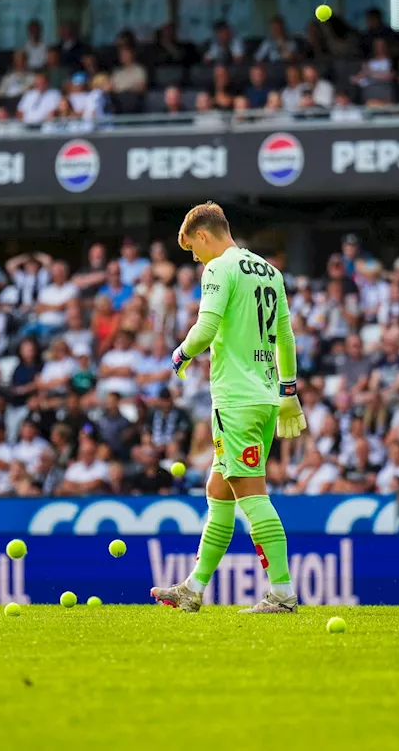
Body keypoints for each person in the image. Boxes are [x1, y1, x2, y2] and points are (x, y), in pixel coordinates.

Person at [149, 202, 305, 614]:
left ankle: (283, 593)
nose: (195, 258)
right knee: (219, 490)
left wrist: (179, 354)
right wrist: (289, 391)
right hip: (266, 397)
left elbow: (206, 328)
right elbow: (285, 337)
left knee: (251, 495)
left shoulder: (219, 267)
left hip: (235, 399)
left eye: (192, 250)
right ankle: (193, 587)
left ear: (202, 234)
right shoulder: (270, 271)